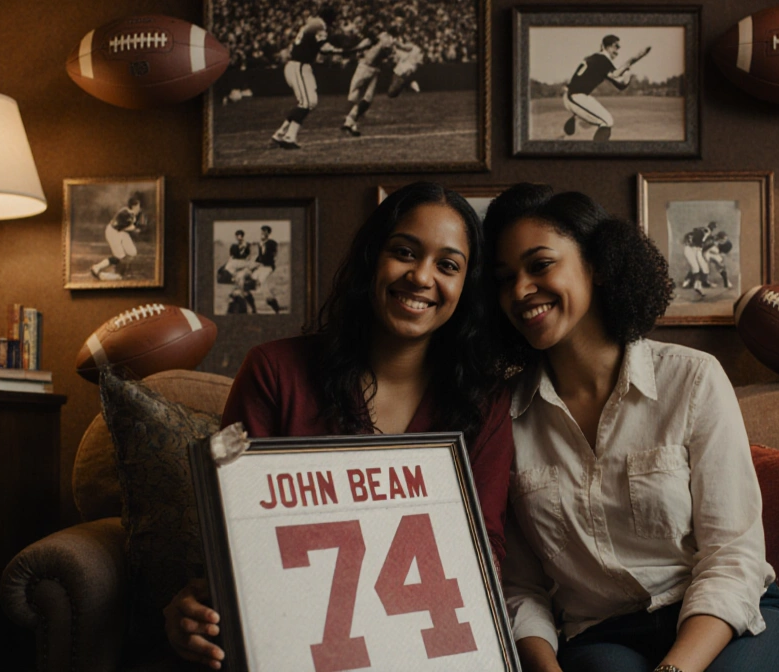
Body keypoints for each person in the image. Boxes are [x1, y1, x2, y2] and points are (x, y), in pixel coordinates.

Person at [163, 182, 516, 670]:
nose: (421, 276)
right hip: (297, 643)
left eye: (448, 265)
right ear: (373, 258)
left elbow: (487, 550)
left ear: (465, 287)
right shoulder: (274, 371)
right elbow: (234, 540)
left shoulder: (486, 400)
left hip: (423, 646)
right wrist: (196, 611)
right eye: (404, 252)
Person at [483, 183, 779, 672]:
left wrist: (674, 669)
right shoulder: (504, 416)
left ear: (596, 264)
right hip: (602, 634)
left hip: (730, 619)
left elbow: (732, 554)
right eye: (503, 277)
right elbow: (520, 587)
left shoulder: (692, 379)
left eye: (540, 265)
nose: (519, 290)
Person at [270, 4, 348, 150]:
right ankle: (289, 137)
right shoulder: (319, 24)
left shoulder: (313, 23)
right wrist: (340, 51)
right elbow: (324, 48)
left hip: (302, 66)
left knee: (310, 102)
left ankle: (280, 134)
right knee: (306, 103)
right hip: (298, 66)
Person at [560, 35, 650, 141]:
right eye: (615, 46)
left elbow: (618, 82)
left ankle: (574, 121)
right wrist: (627, 69)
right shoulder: (603, 60)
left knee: (597, 117)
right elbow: (619, 82)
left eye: (618, 47)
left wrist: (626, 70)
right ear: (604, 46)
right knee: (607, 122)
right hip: (575, 97)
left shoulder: (594, 57)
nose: (617, 50)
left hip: (573, 96)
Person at [341, 22, 418, 137]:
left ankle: (351, 123)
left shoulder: (384, 38)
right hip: (365, 68)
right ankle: (350, 122)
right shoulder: (386, 40)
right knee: (358, 98)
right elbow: (403, 48)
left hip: (373, 69)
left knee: (366, 99)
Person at [90, 194, 146, 281]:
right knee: (119, 257)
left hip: (120, 232)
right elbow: (119, 226)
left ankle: (118, 271)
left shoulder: (131, 214)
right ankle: (97, 268)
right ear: (134, 206)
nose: (139, 208)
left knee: (132, 252)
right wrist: (135, 229)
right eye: (138, 206)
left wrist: (136, 228)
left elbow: (129, 226)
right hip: (113, 232)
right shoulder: (125, 213)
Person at [249, 225, 281, 314]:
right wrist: (254, 265)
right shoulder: (260, 243)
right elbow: (260, 257)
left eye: (265, 231)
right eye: (262, 231)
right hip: (261, 267)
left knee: (262, 282)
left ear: (268, 233)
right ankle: (254, 307)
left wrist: (271, 259)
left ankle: (274, 304)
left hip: (268, 267)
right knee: (251, 281)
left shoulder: (272, 243)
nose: (263, 232)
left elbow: (274, 255)